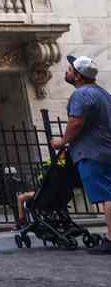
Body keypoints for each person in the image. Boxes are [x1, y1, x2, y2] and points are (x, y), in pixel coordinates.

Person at [51, 54, 111, 254]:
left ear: (77, 76)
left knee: (107, 196)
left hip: (93, 153)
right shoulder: (103, 93)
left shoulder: (82, 94)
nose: (66, 72)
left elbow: (75, 122)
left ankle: (110, 239)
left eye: (69, 69)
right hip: (106, 149)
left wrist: (63, 140)